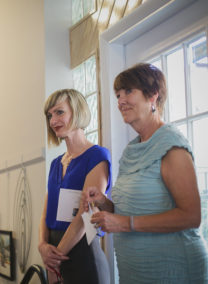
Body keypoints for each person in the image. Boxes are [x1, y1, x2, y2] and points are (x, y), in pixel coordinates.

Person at [83, 63, 208, 283]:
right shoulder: (132, 150)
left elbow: (192, 216)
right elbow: (127, 211)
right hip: (136, 272)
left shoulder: (172, 146)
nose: (120, 101)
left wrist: (124, 224)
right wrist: (103, 202)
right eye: (118, 95)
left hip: (173, 271)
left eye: (128, 91)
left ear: (153, 96)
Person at [38, 89, 111, 284]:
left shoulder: (97, 156)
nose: (53, 121)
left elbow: (85, 214)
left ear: (77, 111)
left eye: (59, 112)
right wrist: (42, 245)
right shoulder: (55, 164)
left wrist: (54, 260)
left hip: (82, 253)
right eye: (49, 115)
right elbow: (46, 213)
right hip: (55, 253)